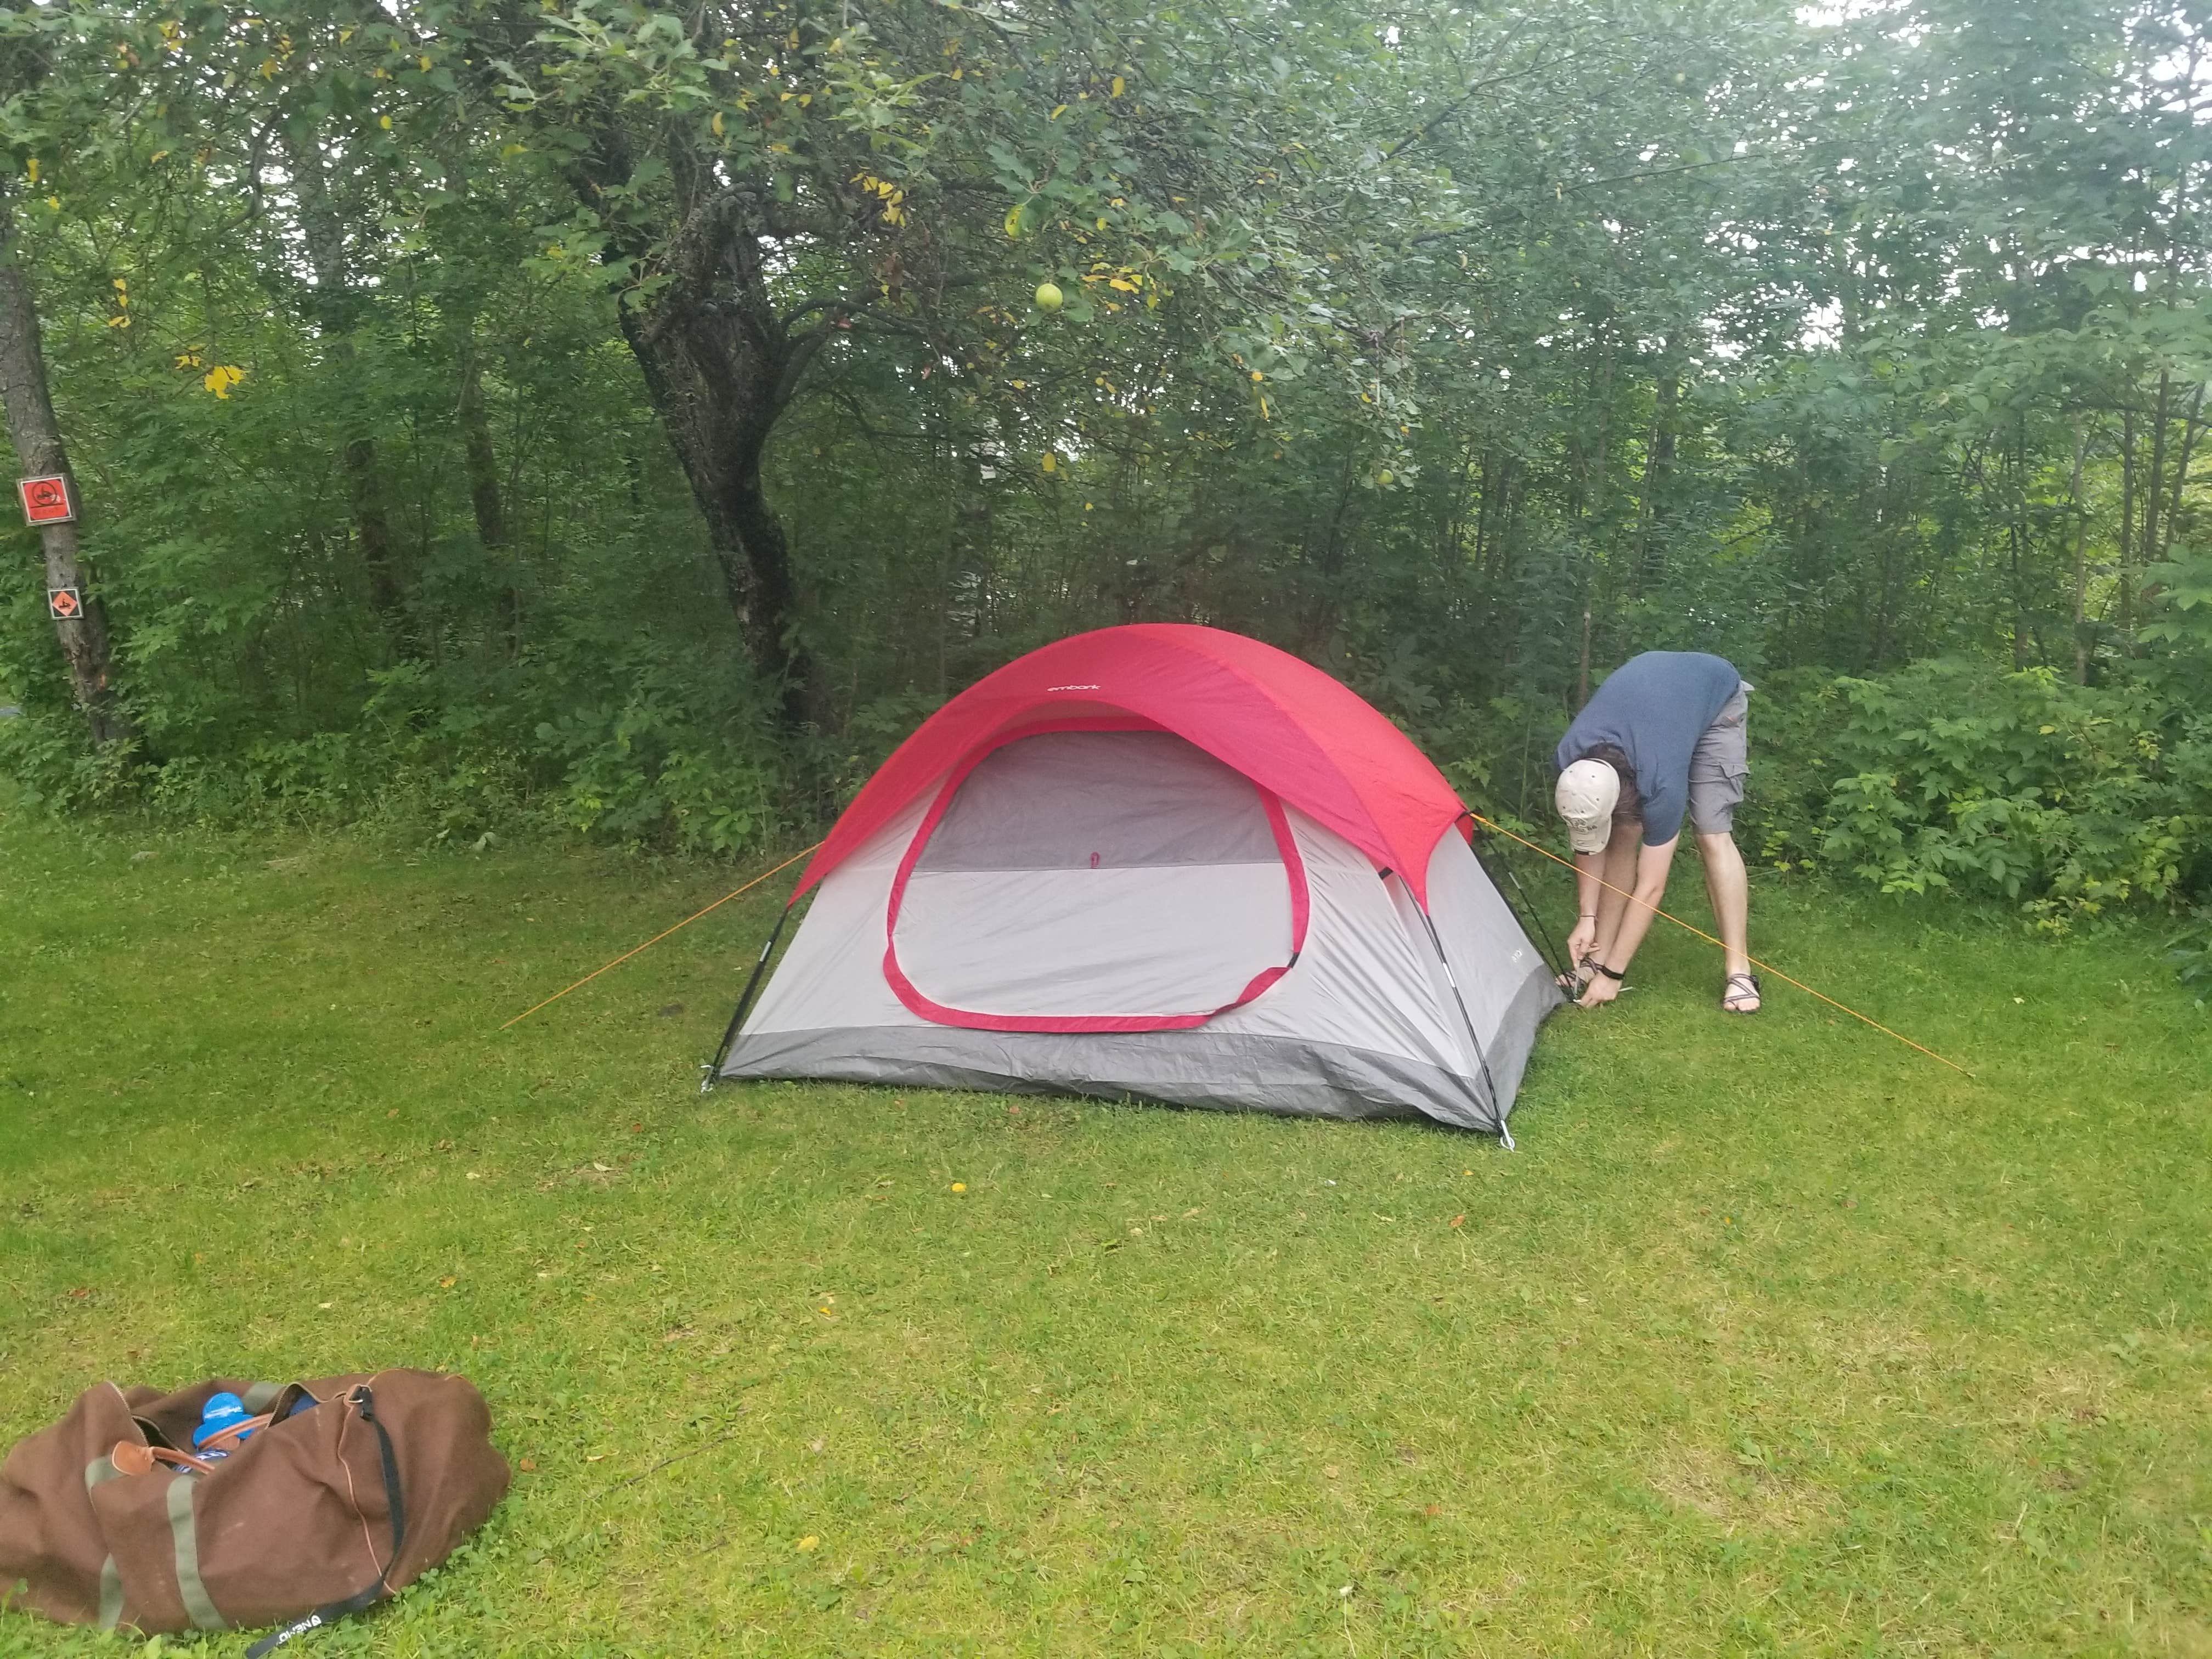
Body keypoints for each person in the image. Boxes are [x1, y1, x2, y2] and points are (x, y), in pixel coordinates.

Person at [1551, 651, 1759, 1013]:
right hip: (1657, 708)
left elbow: (1651, 886)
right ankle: (1595, 959)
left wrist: (1615, 976)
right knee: (1621, 832)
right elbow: (1588, 838)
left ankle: (1739, 972)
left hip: (1714, 697)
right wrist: (1586, 917)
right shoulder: (1571, 762)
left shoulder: (1659, 783)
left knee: (1711, 834)